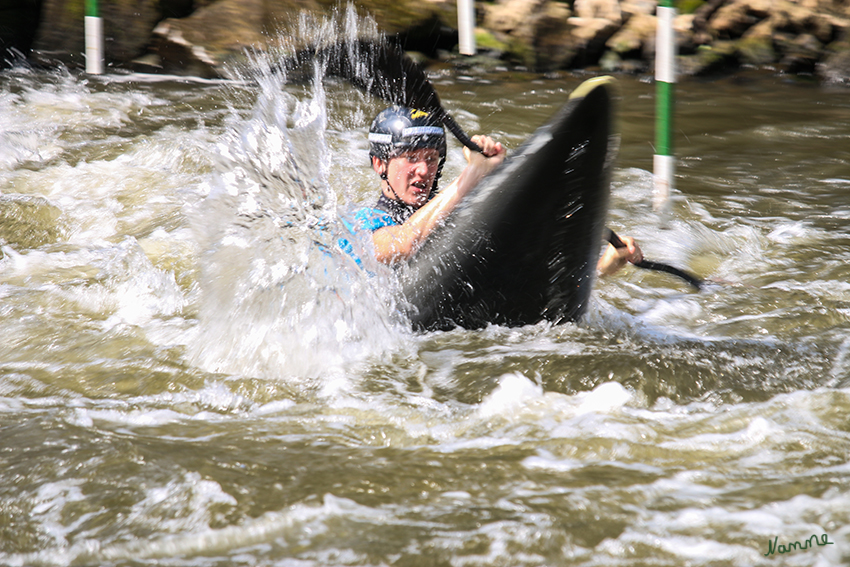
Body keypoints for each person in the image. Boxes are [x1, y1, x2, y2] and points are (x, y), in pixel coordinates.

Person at [349, 105, 642, 274]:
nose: (424, 171)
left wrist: (603, 267)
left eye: (431, 158)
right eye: (411, 158)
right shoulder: (360, 224)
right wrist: (474, 174)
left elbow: (527, 275)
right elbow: (401, 244)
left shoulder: (459, 218)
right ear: (379, 164)